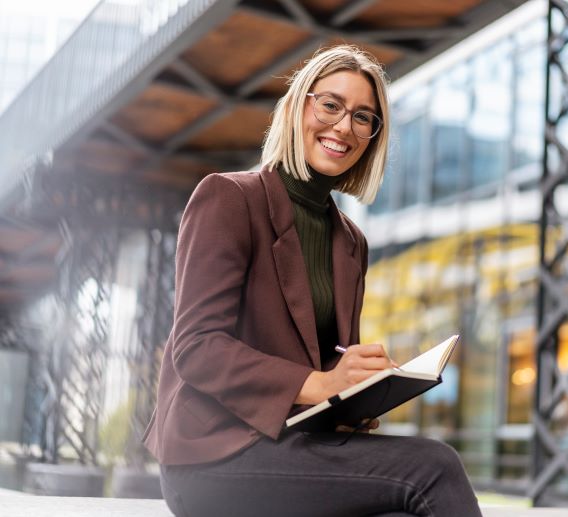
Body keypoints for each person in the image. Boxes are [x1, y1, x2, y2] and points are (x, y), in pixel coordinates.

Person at [142, 45, 482, 517]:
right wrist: (318, 384)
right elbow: (197, 348)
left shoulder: (350, 241)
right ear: (299, 105)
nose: (344, 126)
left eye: (364, 117)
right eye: (331, 105)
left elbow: (331, 367)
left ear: (372, 136)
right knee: (434, 466)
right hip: (214, 455)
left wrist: (359, 393)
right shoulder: (227, 198)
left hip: (293, 444)